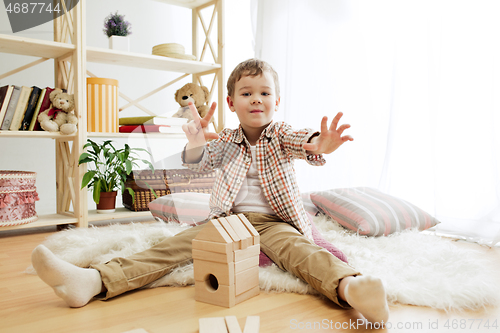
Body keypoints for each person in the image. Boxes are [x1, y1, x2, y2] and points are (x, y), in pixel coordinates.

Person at [31, 59, 389, 324]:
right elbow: (199, 163)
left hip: (276, 223)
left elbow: (303, 142)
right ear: (232, 103)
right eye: (246, 93)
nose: (256, 99)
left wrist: (320, 144)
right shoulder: (228, 139)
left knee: (303, 254)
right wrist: (196, 143)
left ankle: (351, 288)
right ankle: (94, 281)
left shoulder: (280, 134)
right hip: (228, 222)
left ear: (277, 101)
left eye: (265, 93)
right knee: (169, 248)